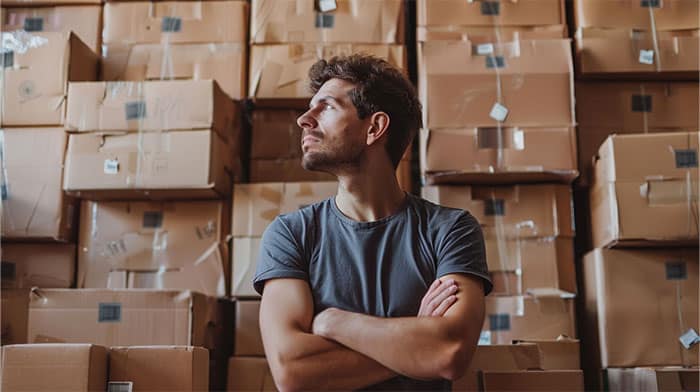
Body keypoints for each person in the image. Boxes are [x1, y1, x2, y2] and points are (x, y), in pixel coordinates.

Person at [253, 54, 492, 391]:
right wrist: (415, 340)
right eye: (311, 108)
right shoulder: (291, 234)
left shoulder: (450, 230)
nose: (305, 119)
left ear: (375, 128)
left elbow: (449, 352)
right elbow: (292, 371)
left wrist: (332, 322)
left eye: (327, 107)